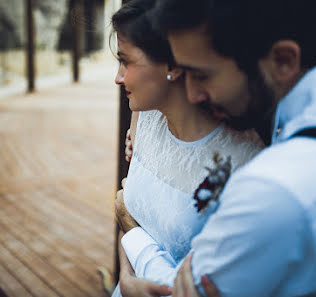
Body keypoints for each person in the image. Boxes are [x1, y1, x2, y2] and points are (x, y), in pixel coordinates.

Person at [117, 0, 316, 296]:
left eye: (202, 75)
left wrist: (131, 230)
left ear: (283, 61)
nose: (192, 94)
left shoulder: (270, 188)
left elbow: (179, 292)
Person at [109, 0, 263, 296]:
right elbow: (128, 212)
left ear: (173, 65)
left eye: (126, 61)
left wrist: (133, 238)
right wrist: (126, 277)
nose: (118, 77)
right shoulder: (145, 116)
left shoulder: (243, 160)